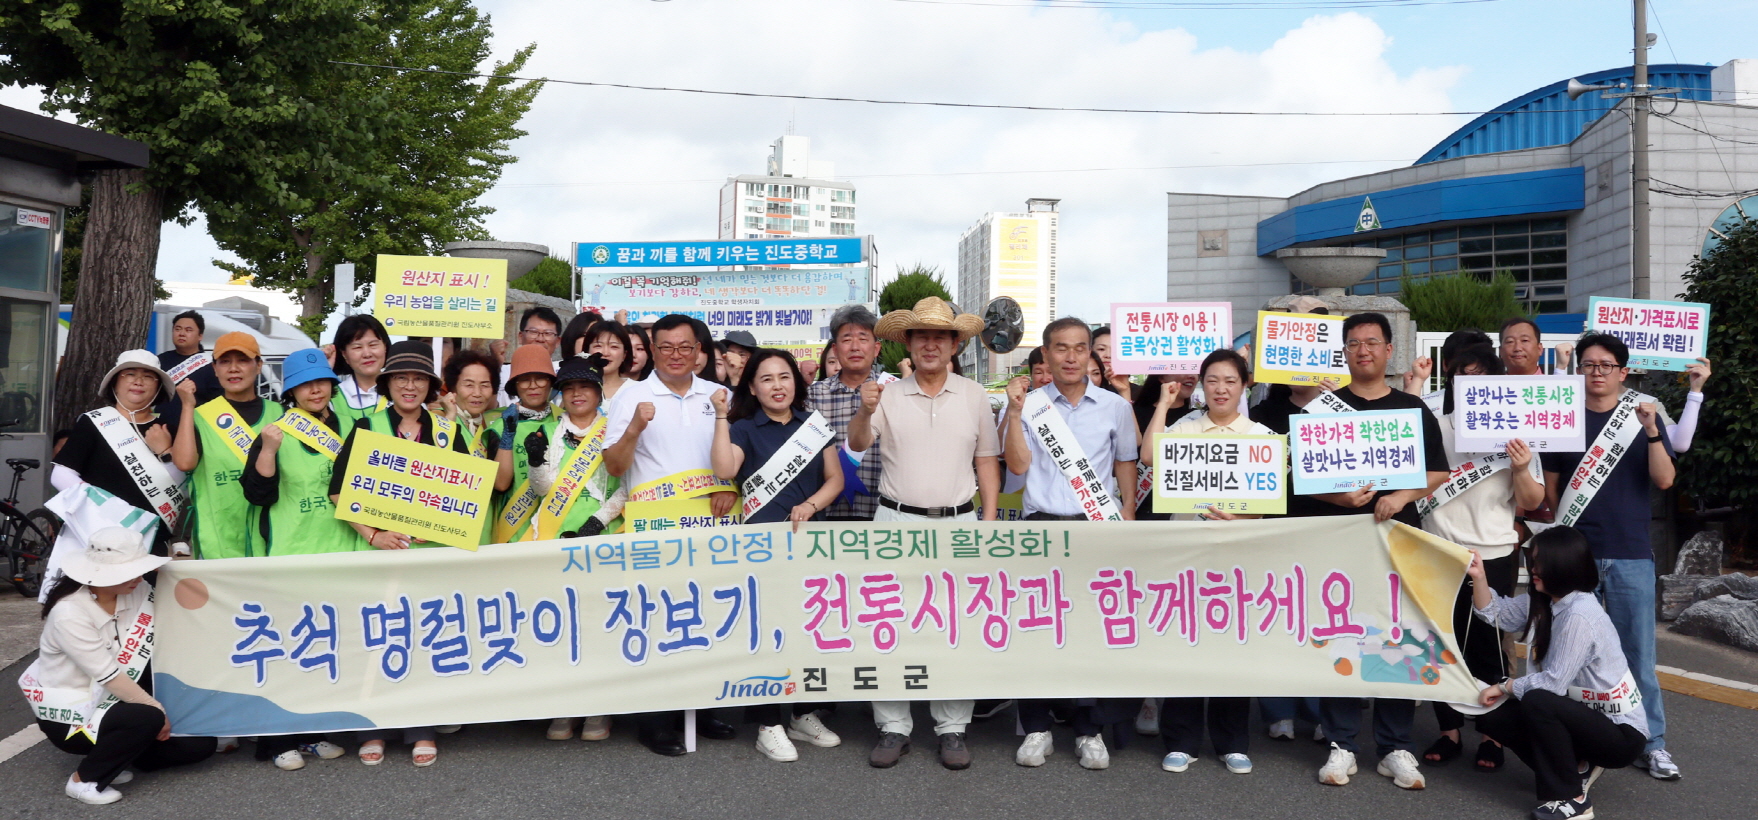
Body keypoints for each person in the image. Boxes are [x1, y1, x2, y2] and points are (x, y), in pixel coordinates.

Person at [848, 296, 1000, 771]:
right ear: (907, 343)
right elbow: (857, 446)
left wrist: (989, 521)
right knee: (889, 623)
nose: (930, 344)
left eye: (940, 336)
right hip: (895, 521)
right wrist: (862, 408)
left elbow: (986, 461)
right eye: (921, 336)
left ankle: (952, 726)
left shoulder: (974, 395)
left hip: (959, 521)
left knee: (955, 623)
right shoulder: (886, 393)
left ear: (955, 344)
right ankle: (893, 726)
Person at [1305, 312, 1449, 791]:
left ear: (1390, 351)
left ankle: (1394, 746)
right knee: (1343, 634)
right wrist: (1339, 498)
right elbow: (1298, 481)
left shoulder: (1412, 407)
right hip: (1340, 542)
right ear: (1343, 353)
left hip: (1397, 543)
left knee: (1400, 638)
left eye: (1372, 342)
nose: (1362, 350)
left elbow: (1437, 473)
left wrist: (1402, 496)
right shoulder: (1323, 409)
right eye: (1353, 343)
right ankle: (1341, 742)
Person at [1539, 332, 1679, 780]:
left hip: (1631, 553)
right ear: (1578, 369)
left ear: (1623, 371)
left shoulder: (1640, 418)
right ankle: (1582, 740)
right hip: (1575, 557)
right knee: (1569, 655)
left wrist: (1653, 430)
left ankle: (1651, 742)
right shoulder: (1564, 420)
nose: (1596, 373)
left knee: (1638, 654)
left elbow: (1665, 480)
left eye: (1605, 365)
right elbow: (1553, 494)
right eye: (1588, 365)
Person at [327, 340, 473, 767]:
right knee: (377, 636)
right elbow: (337, 492)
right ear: (387, 383)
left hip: (429, 555)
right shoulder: (366, 428)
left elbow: (466, 493)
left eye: (418, 379)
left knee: (424, 636)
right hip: (378, 553)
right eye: (401, 377)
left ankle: (421, 727)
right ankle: (374, 727)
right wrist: (374, 535)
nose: (409, 386)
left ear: (430, 386)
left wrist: (442, 523)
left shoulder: (448, 431)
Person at [603, 314, 741, 756]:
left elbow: (736, 455)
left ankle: (702, 708)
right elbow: (614, 466)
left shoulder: (720, 396)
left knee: (708, 613)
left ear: (700, 350)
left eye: (686, 347)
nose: (677, 356)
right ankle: (656, 719)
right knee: (658, 616)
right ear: (652, 349)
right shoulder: (633, 396)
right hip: (654, 527)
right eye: (666, 348)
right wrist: (635, 428)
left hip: (711, 523)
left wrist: (727, 487)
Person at [1002, 317, 1137, 771]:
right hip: (1038, 527)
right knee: (1036, 628)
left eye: (1081, 348)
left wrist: (1128, 523)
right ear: (1046, 354)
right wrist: (1017, 413)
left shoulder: (1114, 406)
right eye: (1061, 348)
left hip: (1095, 528)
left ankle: (1088, 729)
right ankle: (1036, 726)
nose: (1072, 356)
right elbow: (1017, 468)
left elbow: (1125, 465)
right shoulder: (1028, 405)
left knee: (1089, 632)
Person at [710, 348, 845, 762]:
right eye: (766, 379)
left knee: (807, 629)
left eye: (784, 377)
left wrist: (811, 506)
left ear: (796, 382)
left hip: (809, 543)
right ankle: (768, 723)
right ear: (752, 386)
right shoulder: (744, 427)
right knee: (768, 635)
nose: (777, 386)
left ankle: (802, 715)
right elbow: (724, 470)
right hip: (761, 547)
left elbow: (835, 479)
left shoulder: (813, 425)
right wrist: (720, 416)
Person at [1417, 343, 1542, 772]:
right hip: (1439, 550)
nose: (1472, 384)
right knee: (1442, 644)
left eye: (1481, 377)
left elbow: (1532, 499)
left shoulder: (1518, 433)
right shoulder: (1435, 425)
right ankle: (1447, 730)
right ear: (1452, 381)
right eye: (1462, 377)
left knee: (1490, 648)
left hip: (1495, 554)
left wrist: (1523, 468)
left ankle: (1493, 735)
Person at [1470, 527, 1652, 820]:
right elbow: (1496, 614)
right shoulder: (1543, 601)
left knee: (1537, 701)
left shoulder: (1579, 614)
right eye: (1532, 561)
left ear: (1564, 565)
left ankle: (1572, 798)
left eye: (1540, 563)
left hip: (1619, 734)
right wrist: (1479, 576)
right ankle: (1576, 767)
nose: (1533, 569)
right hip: (1580, 717)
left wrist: (1505, 686)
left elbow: (1552, 684)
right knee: (1492, 716)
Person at [1148, 349, 1272, 776]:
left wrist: (1244, 516)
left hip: (1237, 557)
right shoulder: (1186, 426)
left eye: (1230, 381)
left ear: (1245, 387)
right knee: (1185, 643)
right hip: (1186, 552)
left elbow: (1271, 504)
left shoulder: (1259, 436)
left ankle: (1232, 741)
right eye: (1213, 380)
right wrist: (1164, 404)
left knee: (1231, 647)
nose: (1221, 389)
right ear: (1201, 384)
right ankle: (1181, 740)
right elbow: (1149, 458)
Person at [26, 528, 213, 805]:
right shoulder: (69, 613)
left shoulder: (135, 590)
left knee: (200, 745)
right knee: (148, 718)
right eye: (131, 571)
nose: (139, 577)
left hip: (120, 703)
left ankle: (121, 755)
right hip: (73, 716)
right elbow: (109, 676)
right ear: (102, 574)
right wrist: (159, 713)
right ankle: (84, 780)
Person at [237, 349, 357, 768]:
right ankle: (275, 740)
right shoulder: (275, 431)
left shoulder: (350, 428)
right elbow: (256, 494)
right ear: (291, 391)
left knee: (325, 647)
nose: (316, 389)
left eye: (322, 381)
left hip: (340, 552)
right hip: (291, 555)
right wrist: (268, 449)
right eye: (306, 384)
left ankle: (313, 732)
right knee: (287, 648)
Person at [531, 354, 625, 744]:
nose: (576, 394)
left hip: (602, 533)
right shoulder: (551, 433)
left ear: (598, 392)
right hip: (556, 534)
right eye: (569, 389)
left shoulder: (613, 431)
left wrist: (597, 522)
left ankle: (599, 706)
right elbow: (543, 489)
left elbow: (626, 485)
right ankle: (565, 704)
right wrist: (536, 463)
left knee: (599, 620)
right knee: (562, 621)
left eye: (584, 387)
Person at [49, 351, 185, 563]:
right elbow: (61, 474)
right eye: (129, 374)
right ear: (114, 382)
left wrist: (164, 451)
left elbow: (178, 486)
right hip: (99, 536)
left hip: (151, 537)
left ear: (158, 386)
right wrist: (109, 510)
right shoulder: (93, 423)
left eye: (148, 376)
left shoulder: (168, 428)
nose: (138, 381)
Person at [171, 332, 283, 560]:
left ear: (259, 365)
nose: (233, 369)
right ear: (215, 369)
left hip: (273, 539)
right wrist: (187, 407)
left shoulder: (279, 414)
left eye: (243, 360)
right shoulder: (200, 415)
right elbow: (184, 462)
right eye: (225, 362)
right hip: (217, 542)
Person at [805, 305, 892, 523]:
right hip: (825, 513)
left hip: (884, 513)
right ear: (834, 349)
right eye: (846, 340)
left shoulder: (894, 391)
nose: (855, 347)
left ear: (876, 348)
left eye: (863, 339)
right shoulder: (813, 395)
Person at [492, 345, 558, 543]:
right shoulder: (500, 425)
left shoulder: (566, 420)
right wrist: (507, 435)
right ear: (515, 385)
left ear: (550, 383)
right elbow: (501, 484)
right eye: (524, 380)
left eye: (540, 378)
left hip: (560, 526)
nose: (533, 385)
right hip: (517, 533)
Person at [326, 314, 391, 429]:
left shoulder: (403, 391)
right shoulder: (330, 398)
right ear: (344, 354)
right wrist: (324, 371)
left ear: (385, 347)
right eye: (357, 347)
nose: (367, 354)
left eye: (373, 345)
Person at [155, 309, 221, 409]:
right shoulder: (159, 360)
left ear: (200, 336)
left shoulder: (211, 366)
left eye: (188, 330)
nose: (181, 333)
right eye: (177, 329)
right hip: (160, 423)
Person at [497, 306, 563, 392]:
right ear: (520, 337)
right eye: (533, 332)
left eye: (548, 333)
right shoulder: (501, 373)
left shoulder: (564, 374)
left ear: (557, 341)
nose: (540, 339)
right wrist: (496, 365)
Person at [586, 321, 635, 404]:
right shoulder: (573, 390)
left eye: (614, 347)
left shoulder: (637, 389)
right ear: (586, 351)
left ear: (624, 354)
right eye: (598, 346)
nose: (605, 353)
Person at [1090, 325, 1137, 398]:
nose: (1108, 355)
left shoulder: (1141, 394)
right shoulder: (1080, 388)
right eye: (1101, 349)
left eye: (1115, 350)